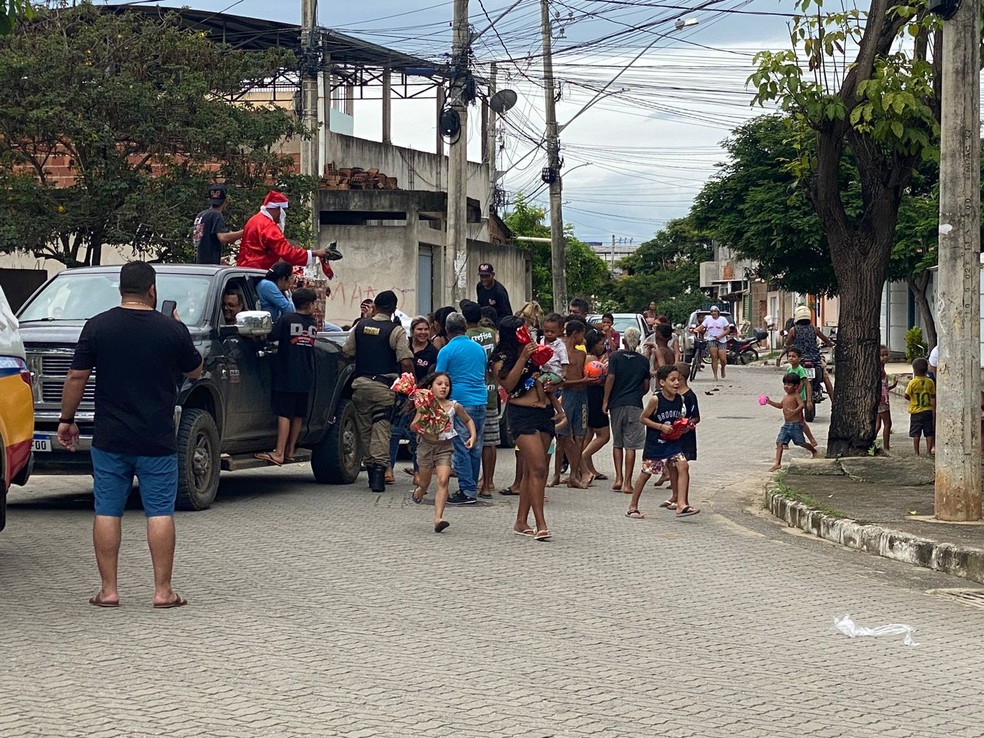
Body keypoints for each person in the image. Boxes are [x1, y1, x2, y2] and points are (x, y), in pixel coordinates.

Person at [57, 261, 203, 609]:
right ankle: (163, 592)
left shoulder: (98, 326)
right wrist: (180, 329)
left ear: (121, 290)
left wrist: (66, 419)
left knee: (107, 510)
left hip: (111, 438)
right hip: (157, 439)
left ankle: (108, 591)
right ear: (152, 290)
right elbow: (196, 371)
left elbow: (76, 376)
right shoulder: (171, 330)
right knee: (160, 512)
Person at [342, 290, 414, 492]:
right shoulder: (395, 331)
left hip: (360, 387)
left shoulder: (360, 326)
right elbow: (405, 361)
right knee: (381, 430)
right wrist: (412, 385)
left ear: (375, 306)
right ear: (394, 308)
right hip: (383, 389)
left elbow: (347, 352)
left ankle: (371, 470)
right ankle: (378, 477)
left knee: (365, 431)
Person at [493, 316, 554, 540]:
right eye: (522, 330)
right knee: (538, 467)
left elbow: (538, 376)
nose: (526, 333)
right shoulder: (500, 358)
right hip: (521, 414)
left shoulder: (532, 350)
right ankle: (541, 523)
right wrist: (523, 357)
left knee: (533, 471)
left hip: (543, 411)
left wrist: (549, 384)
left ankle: (521, 521)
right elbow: (508, 384)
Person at [255, 288, 319, 467]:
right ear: (309, 304)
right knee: (298, 414)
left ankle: (278, 453)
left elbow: (272, 337)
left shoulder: (286, 319)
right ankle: (291, 450)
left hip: (286, 374)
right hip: (305, 375)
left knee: (284, 414)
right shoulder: (312, 323)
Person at [626, 364, 699, 519]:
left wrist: (682, 427)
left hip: (672, 443)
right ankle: (632, 506)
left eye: (678, 379)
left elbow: (678, 419)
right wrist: (660, 427)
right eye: (672, 380)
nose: (676, 383)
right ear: (662, 382)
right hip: (656, 444)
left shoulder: (680, 399)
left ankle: (681, 504)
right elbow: (643, 418)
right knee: (646, 474)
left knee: (683, 465)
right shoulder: (656, 400)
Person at [409, 372, 477, 533]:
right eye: (439, 384)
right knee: (424, 483)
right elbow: (413, 426)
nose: (443, 387)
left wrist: (472, 436)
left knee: (443, 480)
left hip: (445, 447)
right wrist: (422, 422)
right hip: (426, 447)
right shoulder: (425, 405)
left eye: (446, 385)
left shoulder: (454, 406)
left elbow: (468, 420)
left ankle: (438, 518)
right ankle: (420, 491)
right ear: (430, 387)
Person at [436, 312, 488, 505]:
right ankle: (471, 486)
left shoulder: (447, 350)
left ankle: (467, 490)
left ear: (447, 330)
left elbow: (439, 377)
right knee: (475, 445)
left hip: (459, 403)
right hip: (480, 400)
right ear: (465, 328)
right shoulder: (479, 349)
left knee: (461, 447)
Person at [389, 316, 438, 484]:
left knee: (416, 436)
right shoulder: (404, 346)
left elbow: (434, 376)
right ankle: (389, 469)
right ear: (412, 331)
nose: (423, 332)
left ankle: (418, 473)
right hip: (401, 397)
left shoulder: (433, 352)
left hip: (421, 398)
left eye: (426, 329)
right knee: (394, 432)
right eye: (419, 329)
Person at [237, 190, 337, 270]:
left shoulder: (254, 220)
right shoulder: (269, 227)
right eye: (284, 211)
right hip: (257, 272)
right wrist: (315, 253)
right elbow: (287, 253)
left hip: (245, 269)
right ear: (277, 209)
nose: (284, 215)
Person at [603, 327, 650, 494]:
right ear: (639, 342)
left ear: (623, 341)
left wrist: (606, 400)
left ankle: (618, 478)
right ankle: (628, 484)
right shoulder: (643, 361)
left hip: (616, 404)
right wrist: (637, 394)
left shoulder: (615, 357)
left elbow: (610, 378)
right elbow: (646, 386)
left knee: (618, 442)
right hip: (635, 405)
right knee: (631, 446)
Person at [461, 300, 499, 498]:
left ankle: (469, 481)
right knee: (489, 441)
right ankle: (488, 483)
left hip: (470, 395)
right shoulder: (491, 334)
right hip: (490, 392)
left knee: (469, 439)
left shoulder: (465, 337)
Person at [554, 318, 592, 489]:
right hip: (567, 395)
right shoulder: (561, 353)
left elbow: (582, 375)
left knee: (580, 435)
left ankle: (574, 475)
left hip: (581, 396)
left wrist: (589, 380)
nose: (583, 339)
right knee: (562, 436)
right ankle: (556, 474)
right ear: (575, 334)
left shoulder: (581, 354)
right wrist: (582, 381)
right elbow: (561, 381)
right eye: (582, 335)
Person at [659, 362, 700, 509]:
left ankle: (682, 499)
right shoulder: (673, 396)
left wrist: (684, 425)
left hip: (684, 437)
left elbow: (696, 417)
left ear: (680, 377)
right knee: (671, 465)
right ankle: (675, 495)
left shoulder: (689, 396)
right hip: (671, 437)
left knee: (681, 467)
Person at [764, 374, 818, 471]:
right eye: (784, 384)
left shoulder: (796, 396)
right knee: (779, 442)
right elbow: (780, 405)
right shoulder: (786, 397)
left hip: (795, 425)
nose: (786, 386)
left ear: (796, 386)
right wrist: (770, 402)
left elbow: (802, 405)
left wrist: (794, 411)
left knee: (800, 443)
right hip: (786, 425)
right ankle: (777, 463)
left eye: (789, 384)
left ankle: (813, 450)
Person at [580, 329, 611, 486]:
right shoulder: (591, 358)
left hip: (590, 396)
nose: (603, 346)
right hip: (595, 396)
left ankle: (587, 468)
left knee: (588, 434)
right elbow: (596, 379)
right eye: (600, 343)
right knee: (604, 435)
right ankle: (583, 457)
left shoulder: (591, 357)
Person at [784, 305, 835, 399]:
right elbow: (826, 340)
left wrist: (788, 347)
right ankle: (834, 402)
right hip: (815, 359)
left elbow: (787, 343)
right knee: (825, 377)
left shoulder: (793, 330)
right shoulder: (814, 328)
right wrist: (831, 344)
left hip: (801, 359)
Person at [193, 183, 243, 265]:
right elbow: (223, 237)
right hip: (209, 267)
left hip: (199, 264)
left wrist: (217, 260)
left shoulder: (201, 215)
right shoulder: (216, 215)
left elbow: (202, 244)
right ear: (226, 200)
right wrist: (244, 232)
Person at [785, 347, 818, 447]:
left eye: (794, 356)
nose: (791, 358)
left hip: (799, 398)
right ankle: (785, 441)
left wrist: (809, 400)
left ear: (799, 359)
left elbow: (807, 384)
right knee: (791, 419)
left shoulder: (800, 370)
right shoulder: (789, 369)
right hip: (792, 398)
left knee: (800, 421)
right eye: (789, 356)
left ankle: (811, 440)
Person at [905, 357, 936, 455]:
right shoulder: (930, 382)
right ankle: (928, 451)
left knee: (916, 433)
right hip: (927, 410)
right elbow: (933, 395)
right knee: (929, 432)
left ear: (914, 370)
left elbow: (906, 395)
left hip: (916, 411)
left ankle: (916, 452)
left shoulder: (913, 382)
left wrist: (912, 400)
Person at [697, 306, 730, 381]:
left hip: (722, 340)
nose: (713, 313)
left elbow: (727, 330)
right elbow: (701, 327)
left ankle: (723, 367)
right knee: (714, 357)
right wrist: (695, 330)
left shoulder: (723, 319)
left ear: (718, 312)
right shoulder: (708, 319)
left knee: (723, 359)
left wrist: (720, 336)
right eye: (711, 311)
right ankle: (715, 375)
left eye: (715, 311)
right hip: (711, 340)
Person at [875, 345, 898, 451]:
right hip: (882, 400)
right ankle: (886, 447)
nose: (885, 357)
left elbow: (884, 387)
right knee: (887, 423)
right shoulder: (879, 370)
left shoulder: (881, 368)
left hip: (880, 399)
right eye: (882, 355)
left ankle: (871, 445)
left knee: (877, 424)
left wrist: (893, 386)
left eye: (886, 355)